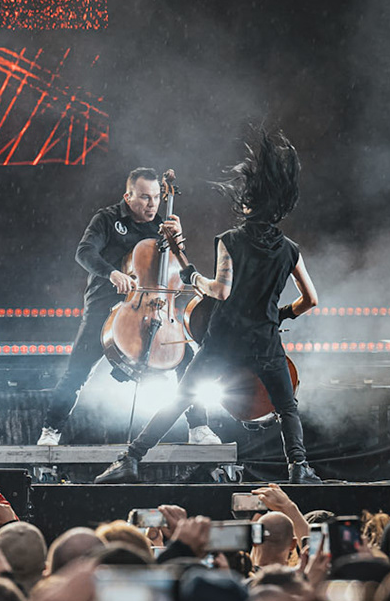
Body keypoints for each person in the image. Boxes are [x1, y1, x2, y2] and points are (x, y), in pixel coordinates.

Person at [98, 131, 320, 484]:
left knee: (181, 399)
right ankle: (300, 469)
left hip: (225, 341)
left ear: (248, 202)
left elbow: (219, 290)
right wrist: (278, 316)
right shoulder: (290, 249)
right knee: (287, 407)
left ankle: (131, 459)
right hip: (265, 341)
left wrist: (188, 271)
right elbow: (311, 300)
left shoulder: (230, 241)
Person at [38, 168, 217, 448]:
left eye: (157, 197)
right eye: (145, 197)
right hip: (105, 306)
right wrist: (112, 273)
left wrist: (177, 244)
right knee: (77, 371)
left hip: (153, 309)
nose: (152, 204)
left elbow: (176, 271)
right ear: (128, 196)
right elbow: (84, 252)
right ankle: (50, 431)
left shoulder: (160, 228)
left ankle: (199, 427)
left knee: (188, 361)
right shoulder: (107, 219)